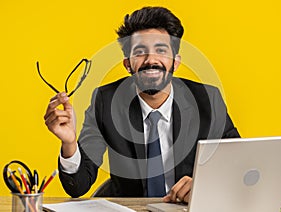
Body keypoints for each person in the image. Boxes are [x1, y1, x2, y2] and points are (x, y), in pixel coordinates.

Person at [44, 6, 240, 203]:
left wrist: (202, 186)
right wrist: (69, 143)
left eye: (161, 50)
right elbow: (78, 186)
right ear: (128, 64)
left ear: (176, 61)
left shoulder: (207, 99)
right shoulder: (105, 101)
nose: (151, 60)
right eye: (140, 52)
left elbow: (240, 165)